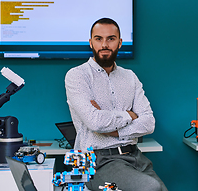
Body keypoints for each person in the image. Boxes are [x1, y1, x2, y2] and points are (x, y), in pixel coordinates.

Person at [65, 17, 168, 191]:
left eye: (110, 39)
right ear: (91, 43)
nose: (104, 44)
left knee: (160, 189)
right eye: (99, 39)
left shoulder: (130, 77)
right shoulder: (77, 76)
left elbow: (149, 123)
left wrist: (112, 129)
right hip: (98, 162)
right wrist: (130, 115)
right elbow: (95, 122)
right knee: (151, 188)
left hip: (135, 156)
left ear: (119, 43)